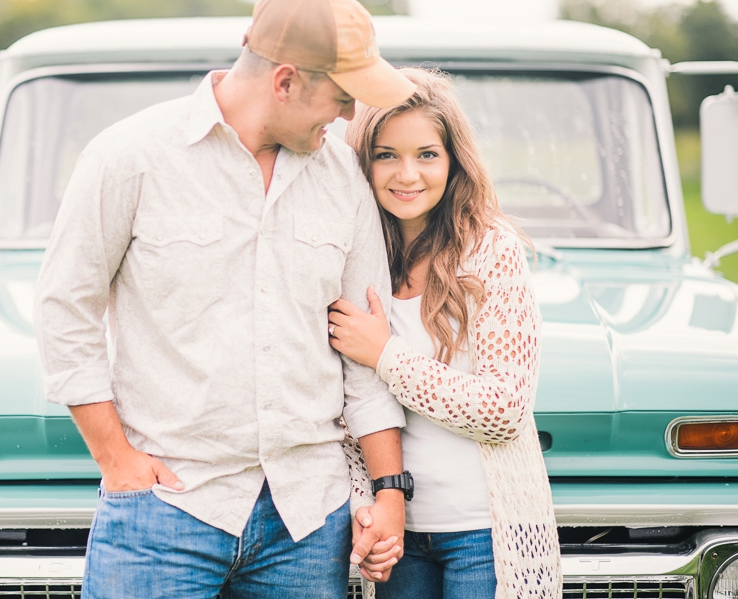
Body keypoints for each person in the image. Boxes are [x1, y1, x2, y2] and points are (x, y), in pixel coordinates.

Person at [32, 1, 419, 597]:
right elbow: (65, 309)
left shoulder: (344, 179)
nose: (348, 115)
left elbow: (366, 351)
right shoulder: (129, 157)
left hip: (308, 523)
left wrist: (390, 490)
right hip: (164, 510)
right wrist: (116, 459)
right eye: (341, 96)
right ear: (285, 80)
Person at [328, 68, 563, 599]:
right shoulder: (350, 257)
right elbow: (339, 407)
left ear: (454, 159)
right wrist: (364, 502)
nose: (407, 174)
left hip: (485, 531)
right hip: (396, 531)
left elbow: (504, 409)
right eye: (386, 154)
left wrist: (386, 354)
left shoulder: (490, 250)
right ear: (361, 161)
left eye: (426, 154)